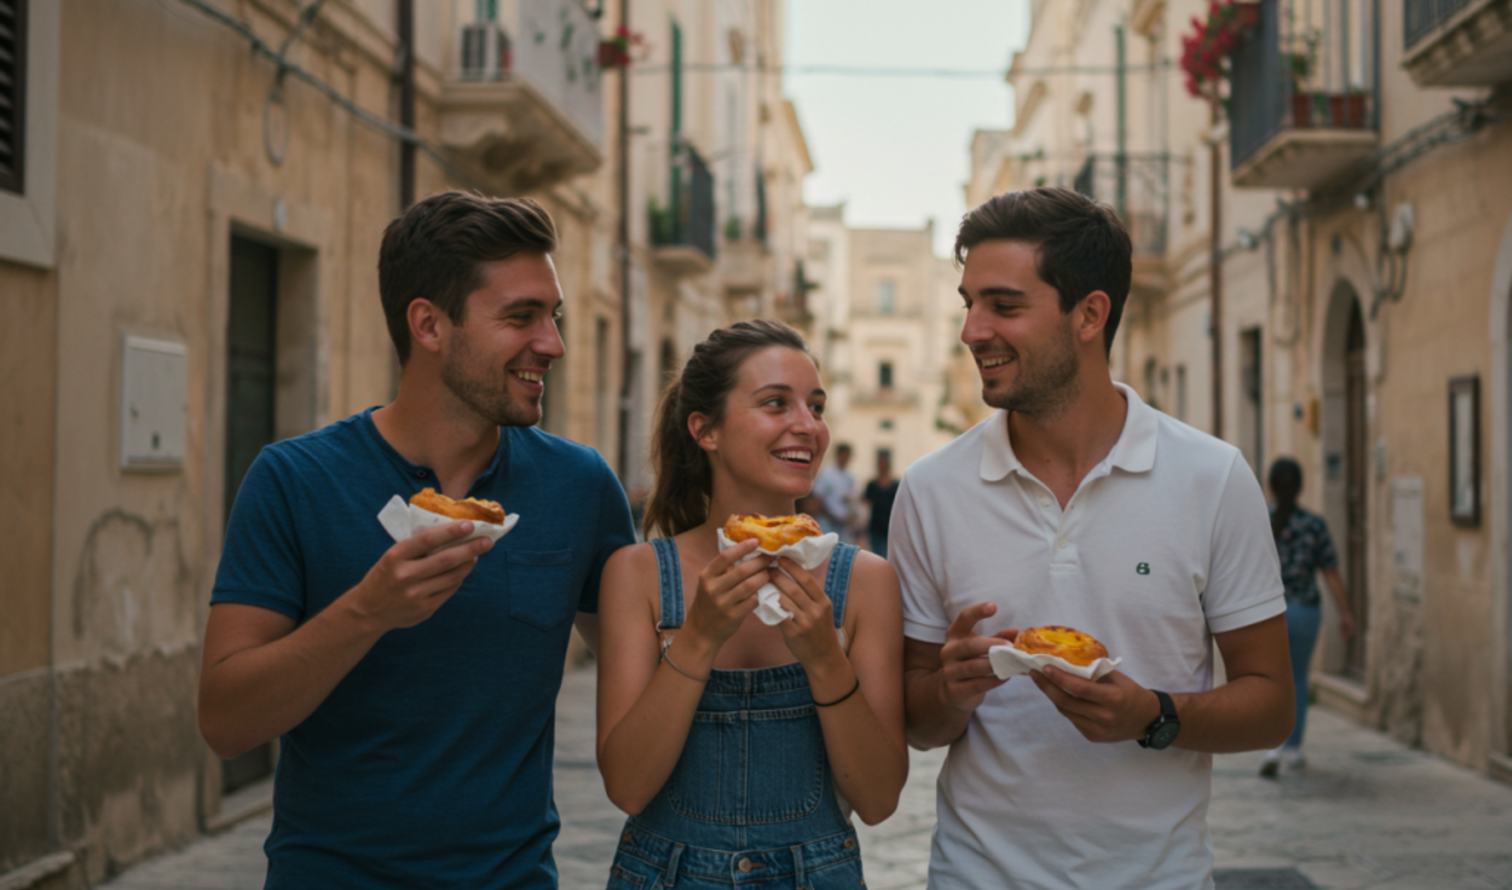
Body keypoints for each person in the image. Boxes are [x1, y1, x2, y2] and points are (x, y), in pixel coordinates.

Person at [197, 192, 635, 889]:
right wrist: (368, 611)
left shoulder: (580, 488)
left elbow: (655, 679)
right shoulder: (294, 480)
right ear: (429, 324)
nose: (552, 343)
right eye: (521, 317)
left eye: (553, 317)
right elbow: (225, 721)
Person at [893, 187, 1295, 889]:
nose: (972, 331)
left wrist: (1155, 715)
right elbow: (920, 724)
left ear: (1090, 314)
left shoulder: (1212, 477)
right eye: (969, 304)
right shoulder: (931, 489)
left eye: (1003, 305)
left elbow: (1271, 706)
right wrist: (952, 690)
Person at [595, 319, 907, 890]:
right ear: (705, 430)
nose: (807, 426)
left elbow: (880, 797)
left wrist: (824, 659)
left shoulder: (867, 583)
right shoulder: (638, 575)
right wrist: (698, 638)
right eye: (775, 403)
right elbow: (628, 787)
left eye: (816, 406)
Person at [1259, 457, 1355, 778]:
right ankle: (1294, 748)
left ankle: (1271, 745)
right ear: (1301, 487)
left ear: (1270, 486)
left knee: (1268, 680)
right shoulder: (1314, 525)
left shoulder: (1259, 521)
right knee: (1297, 679)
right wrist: (1345, 611)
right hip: (1304, 612)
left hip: (1267, 612)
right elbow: (1330, 571)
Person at [811, 442, 857, 538]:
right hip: (827, 524)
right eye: (843, 455)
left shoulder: (849, 478)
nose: (845, 458)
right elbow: (818, 499)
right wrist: (832, 517)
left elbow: (850, 501)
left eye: (847, 455)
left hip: (843, 527)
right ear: (838, 455)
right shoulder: (827, 474)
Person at [861, 450, 900, 558]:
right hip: (876, 527)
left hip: (890, 527)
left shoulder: (896, 485)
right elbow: (865, 506)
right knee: (877, 556)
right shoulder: (872, 485)